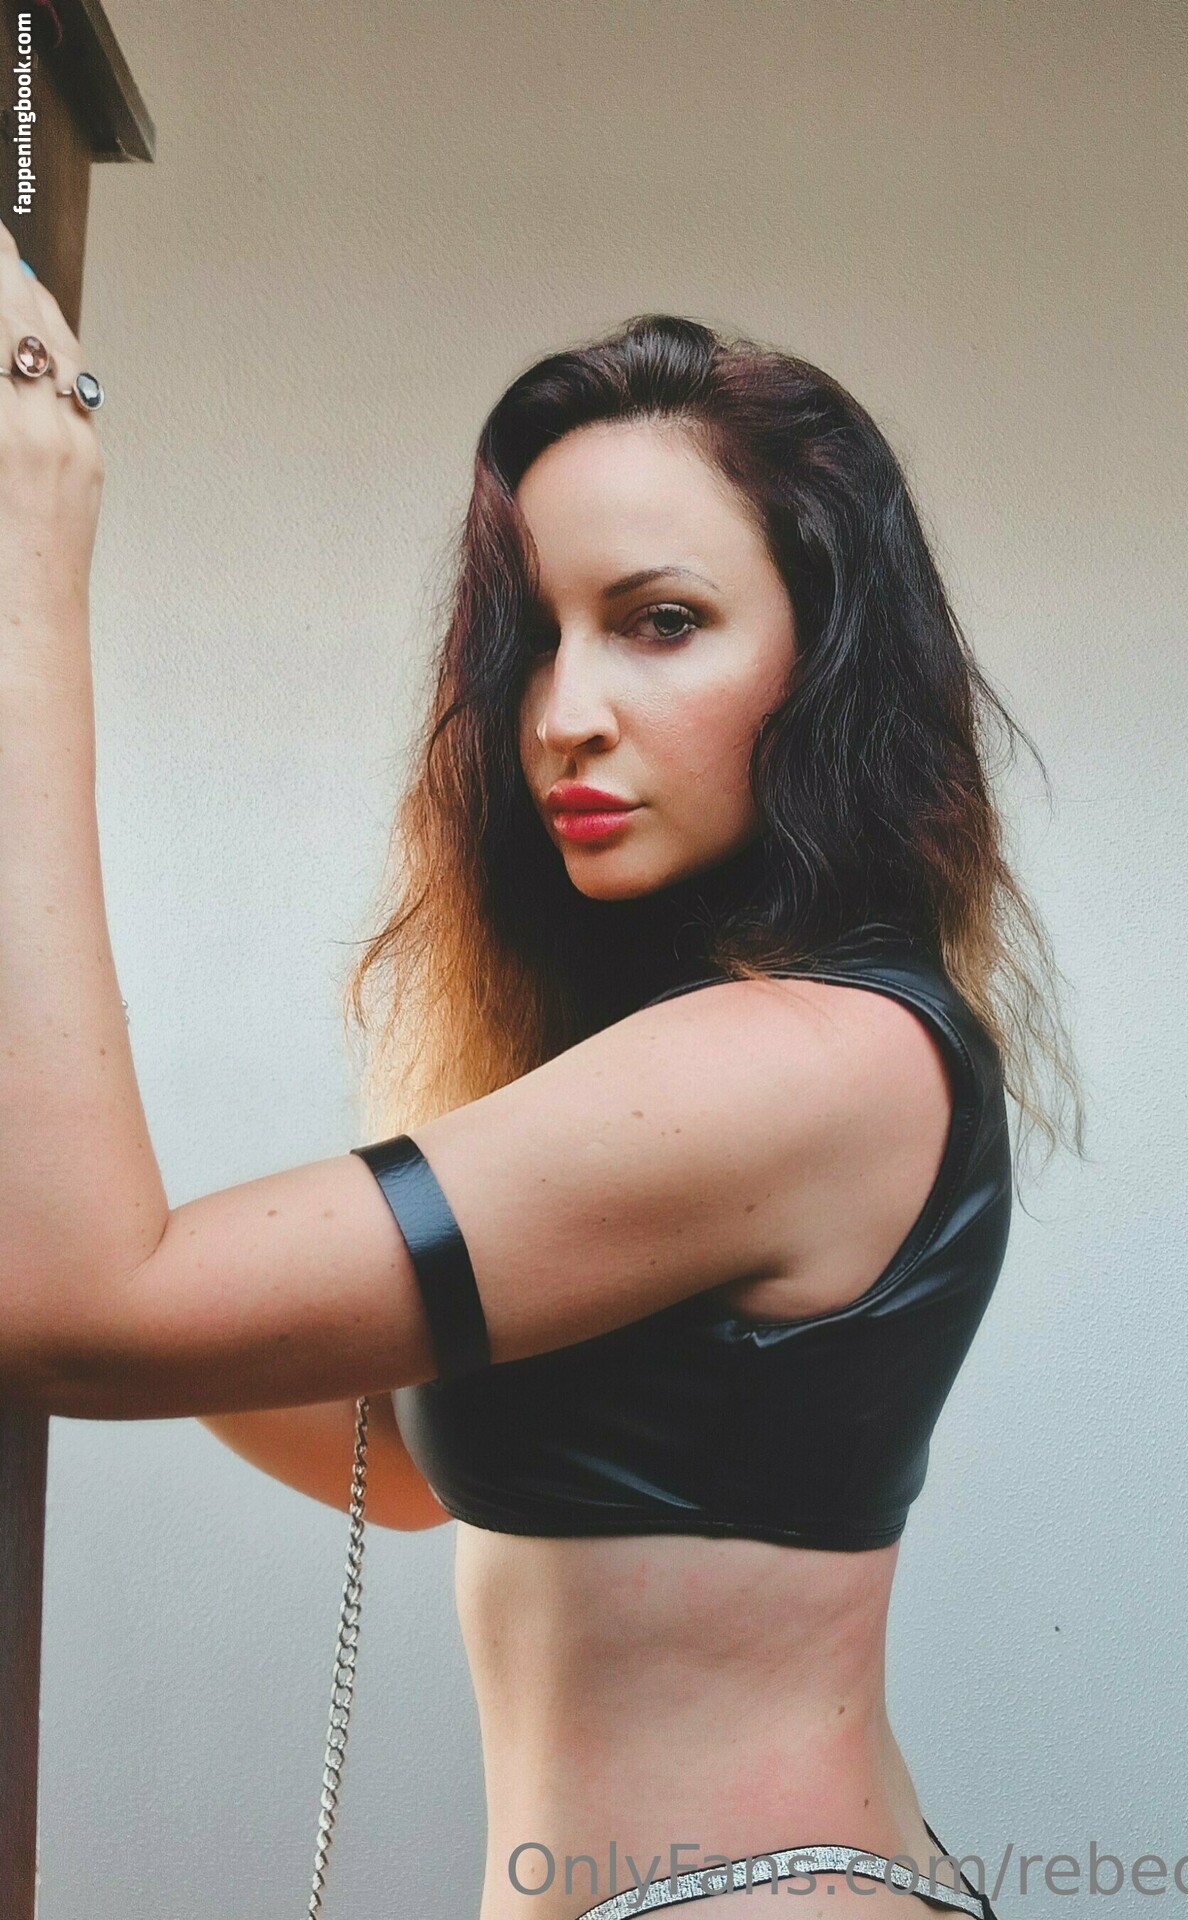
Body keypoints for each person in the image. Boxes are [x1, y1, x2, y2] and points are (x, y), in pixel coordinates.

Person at [0, 250, 1084, 1920]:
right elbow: (411, 1464)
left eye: (662, 622)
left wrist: (26, 575)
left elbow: (80, 1313)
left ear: (830, 660)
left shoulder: (801, 1061)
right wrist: (194, 1289)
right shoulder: (748, 1047)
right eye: (536, 639)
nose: (564, 713)